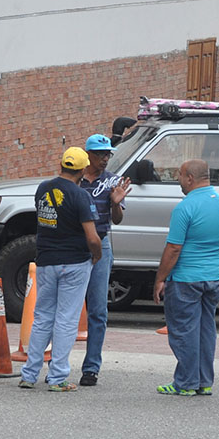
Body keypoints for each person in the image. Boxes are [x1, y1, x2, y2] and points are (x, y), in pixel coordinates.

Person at [18, 148, 102, 392]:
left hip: (46, 260)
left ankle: (29, 374)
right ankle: (57, 377)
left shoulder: (43, 189)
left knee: (42, 317)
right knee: (66, 320)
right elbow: (93, 238)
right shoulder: (80, 196)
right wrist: (96, 256)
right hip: (74, 262)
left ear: (62, 165)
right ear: (83, 169)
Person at [154, 159, 219, 396]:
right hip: (212, 278)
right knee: (206, 330)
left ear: (190, 178)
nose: (178, 180)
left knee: (184, 331)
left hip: (186, 279)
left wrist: (160, 279)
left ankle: (186, 383)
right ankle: (204, 381)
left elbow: (174, 248)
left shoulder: (185, 207)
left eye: (179, 175)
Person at [77, 133, 132, 387]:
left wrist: (116, 204)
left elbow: (117, 220)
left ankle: (91, 368)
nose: (105, 159)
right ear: (88, 155)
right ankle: (56, 363)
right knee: (67, 309)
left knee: (98, 310)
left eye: (108, 154)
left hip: (101, 243)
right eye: (100, 154)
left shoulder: (113, 181)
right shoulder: (75, 180)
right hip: (75, 246)